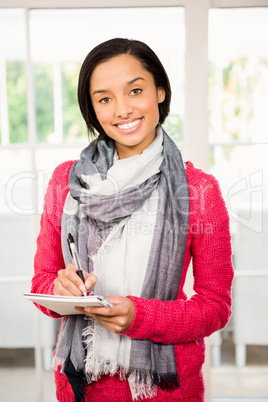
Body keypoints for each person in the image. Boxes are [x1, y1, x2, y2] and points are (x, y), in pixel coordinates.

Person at [31, 38, 234, 402]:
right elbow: (43, 285)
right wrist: (59, 289)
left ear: (160, 91)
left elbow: (215, 308)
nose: (122, 109)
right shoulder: (68, 182)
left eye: (135, 91)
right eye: (104, 98)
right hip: (81, 386)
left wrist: (140, 317)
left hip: (166, 389)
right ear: (92, 109)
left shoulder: (199, 191)